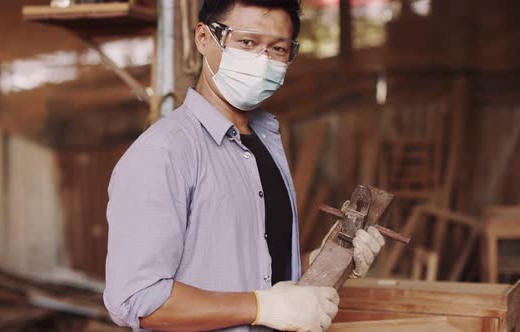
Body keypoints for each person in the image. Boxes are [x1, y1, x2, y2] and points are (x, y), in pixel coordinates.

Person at [104, 1, 386, 331]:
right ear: (203, 38)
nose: (262, 60)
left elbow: (263, 275)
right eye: (247, 43)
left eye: (278, 48)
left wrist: (329, 258)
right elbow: (136, 298)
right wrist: (259, 307)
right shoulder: (164, 153)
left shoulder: (264, 144)